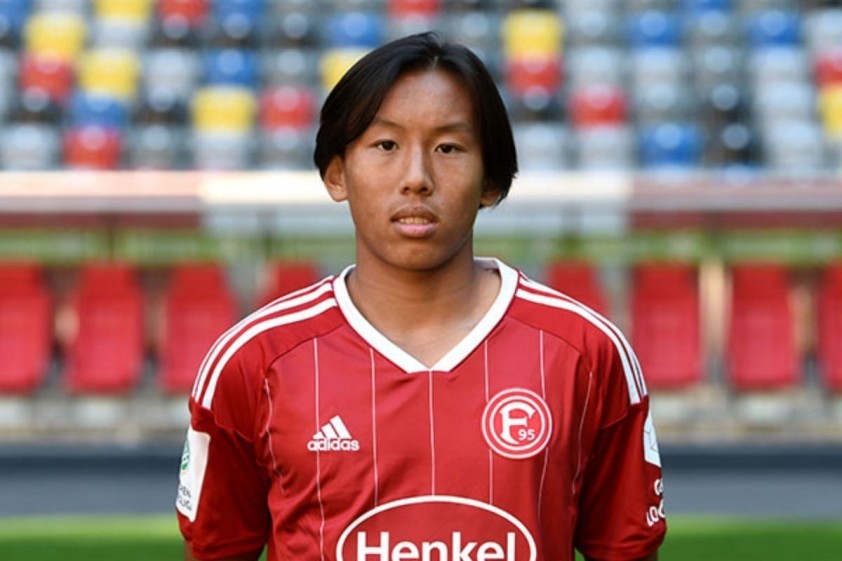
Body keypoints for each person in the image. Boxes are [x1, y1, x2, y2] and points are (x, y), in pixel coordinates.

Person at [176, 32, 666, 561]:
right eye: (386, 145)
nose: (417, 179)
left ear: (491, 180)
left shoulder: (585, 352)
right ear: (338, 174)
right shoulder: (254, 360)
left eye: (448, 148)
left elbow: (625, 551)